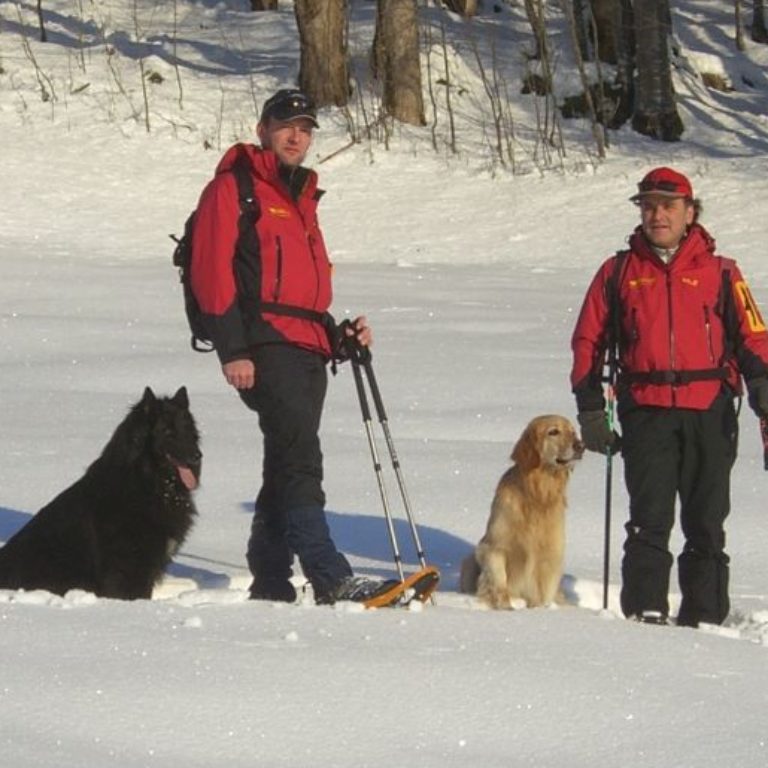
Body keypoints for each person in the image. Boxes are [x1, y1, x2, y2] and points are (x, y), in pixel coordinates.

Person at [190, 88, 394, 605]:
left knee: (285, 459)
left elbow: (298, 293)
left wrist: (337, 336)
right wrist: (232, 348)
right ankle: (330, 577)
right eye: (286, 124)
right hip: (263, 346)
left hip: (306, 349)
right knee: (301, 456)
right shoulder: (233, 190)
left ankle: (271, 580)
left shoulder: (301, 197)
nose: (296, 135)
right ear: (263, 129)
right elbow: (212, 273)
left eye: (305, 127)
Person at [570, 167, 768, 627]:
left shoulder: (723, 273)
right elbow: (587, 342)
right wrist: (591, 409)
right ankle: (645, 613)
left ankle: (705, 617)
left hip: (710, 412)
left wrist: (762, 388)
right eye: (648, 205)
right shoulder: (617, 271)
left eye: (668, 205)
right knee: (648, 521)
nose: (657, 214)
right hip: (646, 412)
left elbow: (754, 337)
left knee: (706, 523)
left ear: (690, 212)